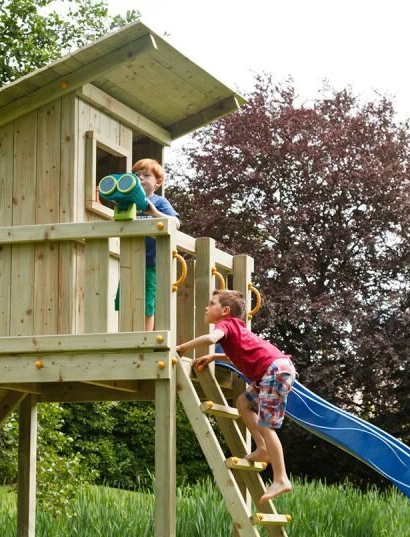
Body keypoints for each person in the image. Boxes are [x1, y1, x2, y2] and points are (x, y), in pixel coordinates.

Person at [177, 289, 295, 504]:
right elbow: (244, 352)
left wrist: (182, 348)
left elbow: (211, 337)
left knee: (267, 425)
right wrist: (216, 355)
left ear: (225, 311)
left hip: (273, 371)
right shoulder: (237, 327)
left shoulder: (225, 324)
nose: (206, 307)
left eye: (211, 303)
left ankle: (281, 479)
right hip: (270, 371)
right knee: (243, 402)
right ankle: (261, 448)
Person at [114, 158, 179, 331]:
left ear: (157, 182)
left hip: (152, 262)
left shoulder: (159, 202)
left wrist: (155, 213)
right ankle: (126, 335)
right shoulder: (129, 203)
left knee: (147, 302)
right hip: (129, 259)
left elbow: (176, 223)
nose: (140, 178)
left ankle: (145, 335)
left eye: (146, 175)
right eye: (136, 175)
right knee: (125, 300)